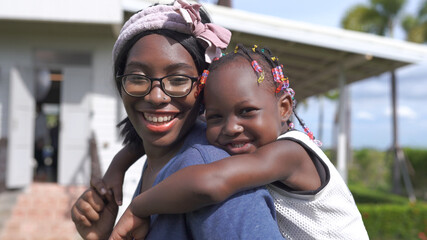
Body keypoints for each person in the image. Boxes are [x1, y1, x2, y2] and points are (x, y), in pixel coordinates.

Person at [104, 44, 369, 239]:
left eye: (247, 112)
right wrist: (118, 166)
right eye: (216, 116)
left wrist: (139, 207)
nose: (231, 127)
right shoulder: (247, 144)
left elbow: (210, 183)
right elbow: (160, 133)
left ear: (284, 108)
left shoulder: (290, 153)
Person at [71, 1, 284, 240]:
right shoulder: (159, 158)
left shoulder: (204, 166)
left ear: (204, 88)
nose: (156, 96)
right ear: (121, 85)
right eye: (138, 78)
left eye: (178, 80)